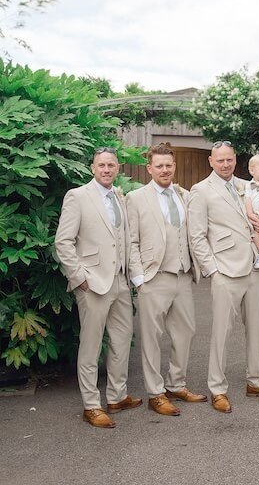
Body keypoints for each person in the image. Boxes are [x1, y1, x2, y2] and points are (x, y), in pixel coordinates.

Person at [188, 141, 259, 412]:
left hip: (254, 266)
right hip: (225, 270)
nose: (226, 164)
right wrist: (213, 271)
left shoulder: (247, 186)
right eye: (220, 160)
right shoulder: (201, 191)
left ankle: (256, 381)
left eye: (229, 159)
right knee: (221, 331)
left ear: (234, 160)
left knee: (257, 327)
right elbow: (196, 235)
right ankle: (217, 388)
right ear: (211, 161)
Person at [55, 147, 142, 428]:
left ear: (118, 168)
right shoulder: (77, 196)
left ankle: (117, 396)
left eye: (111, 165)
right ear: (92, 168)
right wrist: (79, 277)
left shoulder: (119, 196)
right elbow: (63, 242)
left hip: (120, 280)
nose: (106, 170)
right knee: (91, 346)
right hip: (92, 282)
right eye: (101, 165)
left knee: (121, 340)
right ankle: (91, 405)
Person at [126, 143, 206, 417]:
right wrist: (139, 279)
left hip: (183, 276)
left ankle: (176, 384)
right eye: (159, 165)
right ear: (149, 168)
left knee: (185, 332)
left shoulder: (183, 195)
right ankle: (155, 393)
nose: (164, 170)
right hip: (153, 277)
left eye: (168, 165)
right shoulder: (136, 198)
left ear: (174, 166)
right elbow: (131, 241)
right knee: (151, 338)